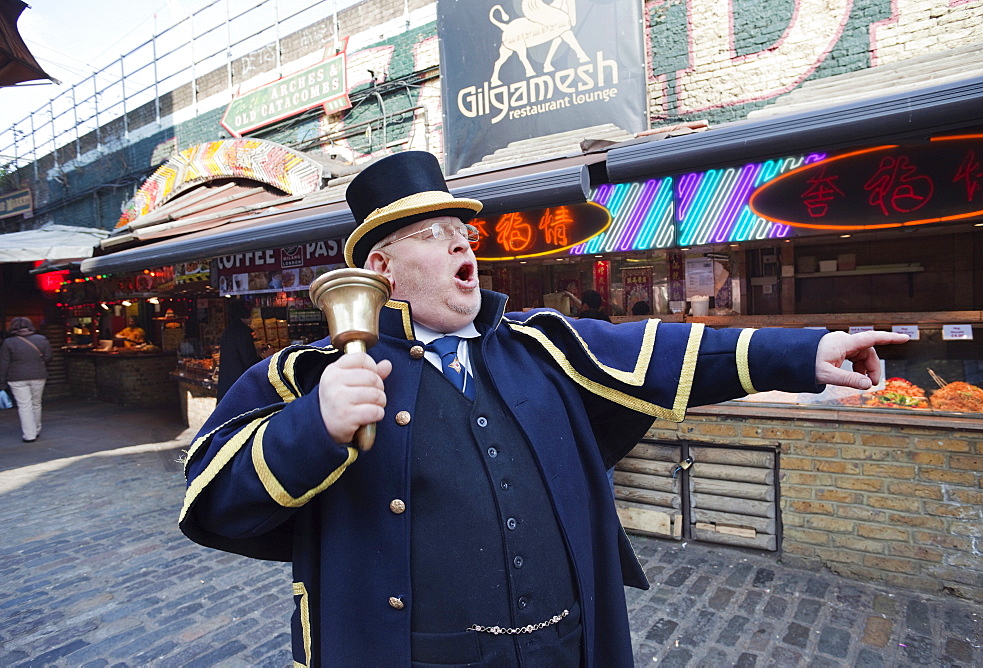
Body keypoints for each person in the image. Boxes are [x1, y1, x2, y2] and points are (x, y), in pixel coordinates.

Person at [179, 150, 909, 666]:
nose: (466, 246)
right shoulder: (309, 375)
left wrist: (806, 355)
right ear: (381, 268)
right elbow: (210, 496)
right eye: (435, 236)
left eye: (465, 232)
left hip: (562, 648)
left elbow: (661, 350)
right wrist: (317, 425)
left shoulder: (541, 344)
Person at [0, 317, 53, 443]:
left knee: (24, 406)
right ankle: (36, 429)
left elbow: (3, 364)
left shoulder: (8, 342)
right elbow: (48, 357)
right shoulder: (41, 339)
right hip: (38, 375)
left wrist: (1, 382)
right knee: (36, 403)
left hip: (16, 377)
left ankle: (29, 435)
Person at [216, 300, 261, 401]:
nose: (252, 318)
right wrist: (264, 356)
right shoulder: (243, 332)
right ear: (244, 315)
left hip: (227, 385)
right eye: (250, 314)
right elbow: (249, 362)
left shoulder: (228, 331)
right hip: (239, 386)